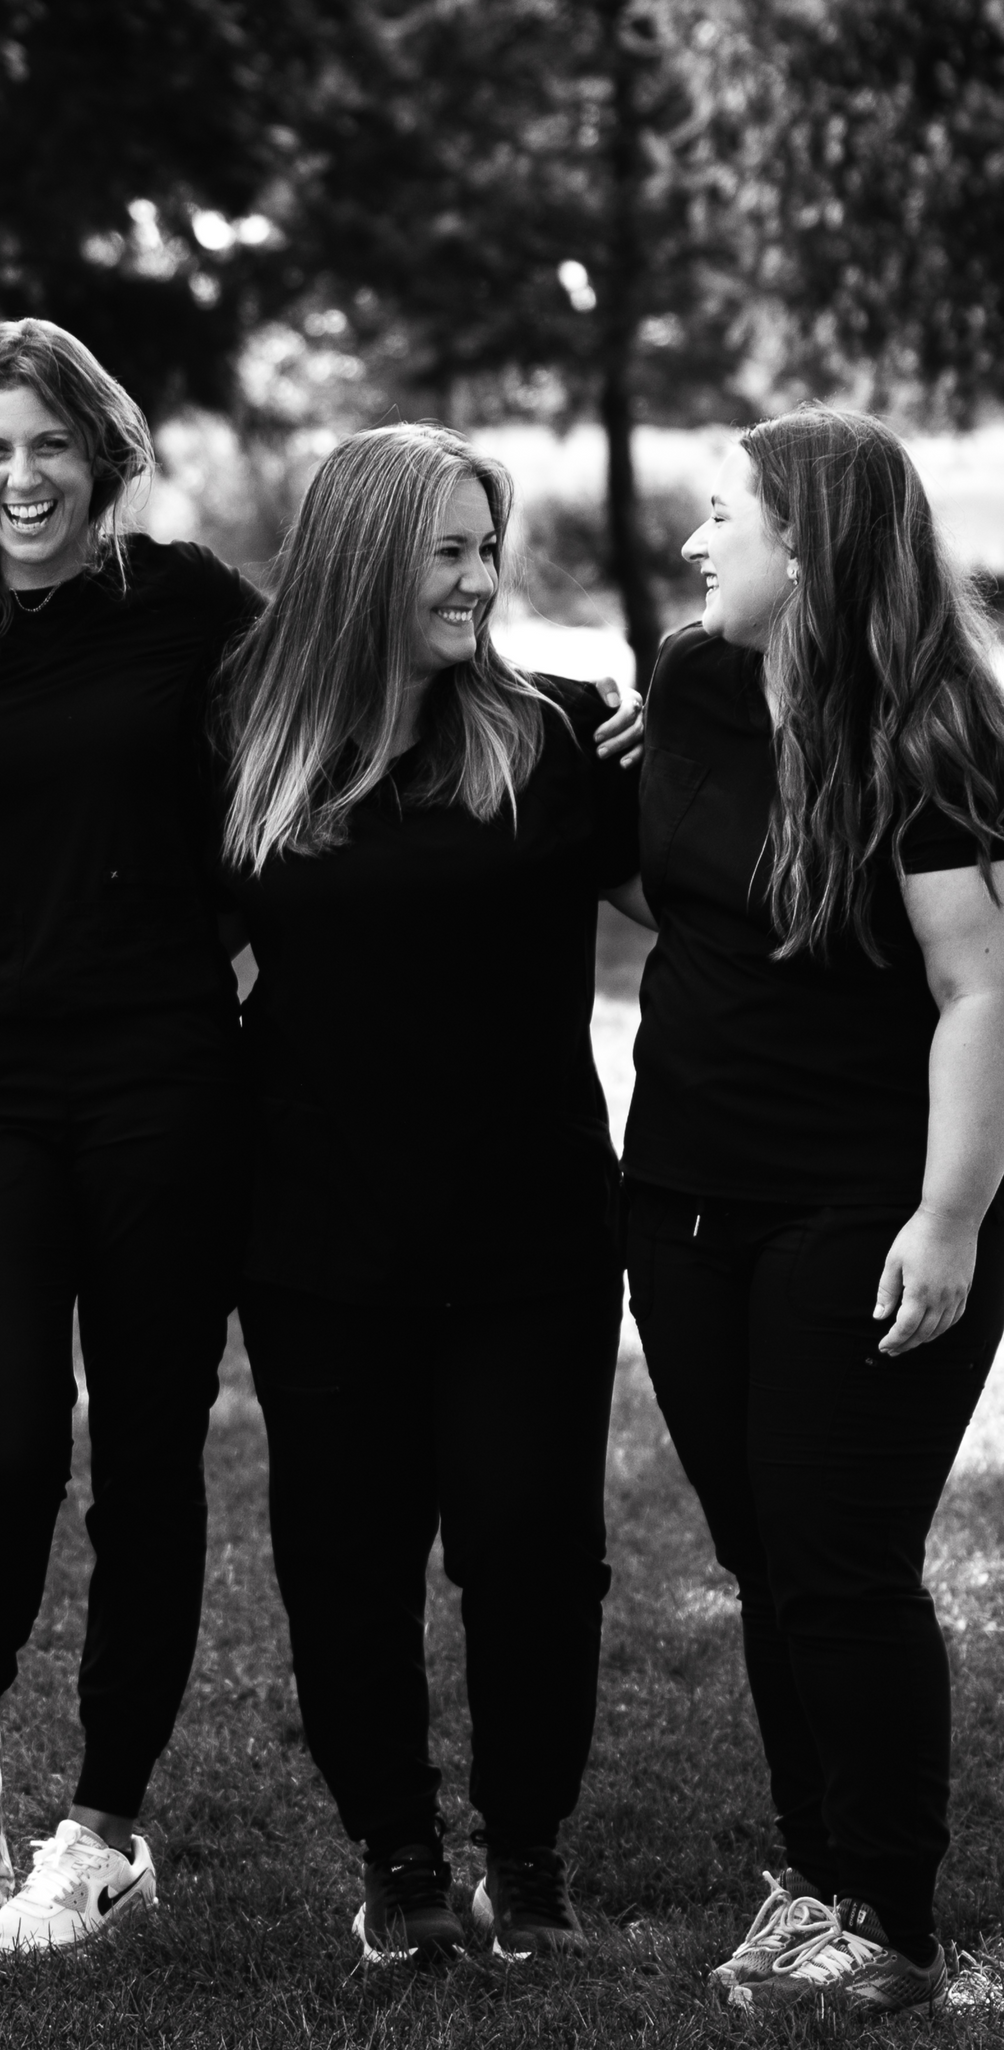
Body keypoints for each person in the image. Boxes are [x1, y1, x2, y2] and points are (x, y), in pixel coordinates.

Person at [0, 317, 268, 1957]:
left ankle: (102, 1825)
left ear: (103, 453)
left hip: (171, 1072)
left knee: (151, 1451)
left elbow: (319, 749)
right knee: (9, 1440)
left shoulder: (189, 608)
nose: (21, 479)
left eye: (49, 446)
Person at [214, 422, 644, 1965]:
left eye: (485, 550)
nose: (476, 582)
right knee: (342, 1546)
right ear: (360, 563)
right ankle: (397, 1854)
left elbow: (718, 895)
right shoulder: (252, 742)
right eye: (445, 554)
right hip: (319, 1230)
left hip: (529, 1226)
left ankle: (522, 1857)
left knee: (531, 1541)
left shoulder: (561, 737)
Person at [621, 406, 1004, 2017]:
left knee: (838, 1557)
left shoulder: (929, 737)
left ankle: (892, 1920)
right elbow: (677, 881)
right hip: (688, 1194)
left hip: (865, 1206)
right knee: (759, 1549)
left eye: (727, 518)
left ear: (811, 548)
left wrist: (948, 1212)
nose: (698, 543)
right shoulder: (692, 679)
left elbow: (977, 986)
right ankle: (817, 1875)